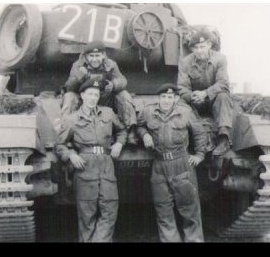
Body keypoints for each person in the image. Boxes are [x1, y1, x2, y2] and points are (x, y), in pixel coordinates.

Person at [55, 78, 127, 242]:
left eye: (96, 95)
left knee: (110, 210)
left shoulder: (108, 113)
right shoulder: (71, 119)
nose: (93, 98)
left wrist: (119, 144)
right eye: (90, 94)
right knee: (87, 215)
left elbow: (122, 131)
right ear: (82, 95)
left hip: (106, 163)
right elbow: (59, 145)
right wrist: (71, 155)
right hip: (85, 166)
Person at [137, 83, 207, 242]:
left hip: (181, 163)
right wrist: (145, 135)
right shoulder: (148, 112)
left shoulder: (185, 112)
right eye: (163, 97)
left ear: (175, 98)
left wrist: (200, 155)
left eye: (170, 97)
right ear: (158, 98)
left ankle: (194, 240)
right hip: (159, 164)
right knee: (163, 209)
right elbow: (139, 126)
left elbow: (200, 133)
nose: (166, 100)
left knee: (189, 208)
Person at [61, 40, 138, 145]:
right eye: (91, 56)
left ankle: (130, 132)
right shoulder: (78, 65)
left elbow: (122, 80)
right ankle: (66, 133)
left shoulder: (111, 64)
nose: (95, 59)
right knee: (69, 97)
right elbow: (69, 87)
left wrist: (113, 84)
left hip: (106, 100)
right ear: (86, 57)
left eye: (97, 55)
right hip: (85, 102)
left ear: (103, 55)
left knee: (124, 95)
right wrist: (79, 76)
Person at [177, 30, 233, 156]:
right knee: (180, 103)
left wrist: (205, 93)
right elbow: (182, 87)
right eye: (196, 47)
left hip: (214, 99)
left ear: (209, 45)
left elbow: (223, 82)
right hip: (195, 101)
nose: (199, 50)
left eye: (202, 46)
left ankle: (223, 139)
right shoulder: (185, 62)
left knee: (223, 96)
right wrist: (192, 96)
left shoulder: (220, 59)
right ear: (191, 49)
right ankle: (184, 139)